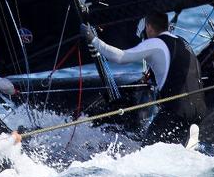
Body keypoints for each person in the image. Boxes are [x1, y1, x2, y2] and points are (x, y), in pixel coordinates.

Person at [81, 11, 205, 145]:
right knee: (172, 147)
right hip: (199, 108)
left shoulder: (155, 43)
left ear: (149, 27)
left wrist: (92, 38)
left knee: (147, 150)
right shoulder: (182, 42)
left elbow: (120, 57)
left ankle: (186, 140)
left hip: (177, 109)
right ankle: (188, 140)